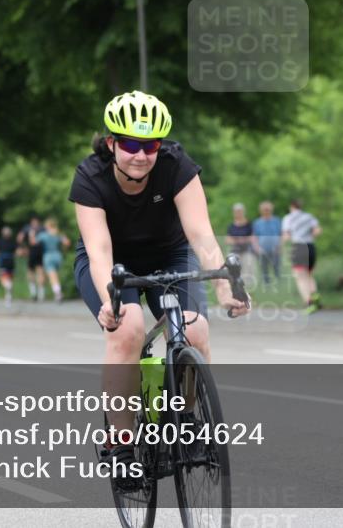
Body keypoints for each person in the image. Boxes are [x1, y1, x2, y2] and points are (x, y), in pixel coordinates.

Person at [69, 90, 249, 485]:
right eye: (131, 145)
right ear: (112, 143)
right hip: (112, 263)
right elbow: (99, 251)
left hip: (170, 254)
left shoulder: (176, 165)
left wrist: (224, 287)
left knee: (194, 329)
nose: (141, 155)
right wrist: (110, 301)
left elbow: (201, 235)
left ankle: (185, 419)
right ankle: (121, 446)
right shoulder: (90, 177)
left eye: (150, 146)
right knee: (127, 330)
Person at [282, 198, 322, 313]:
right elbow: (317, 231)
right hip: (310, 246)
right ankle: (314, 294)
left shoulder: (288, 218)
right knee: (309, 274)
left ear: (291, 206)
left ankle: (309, 302)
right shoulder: (308, 216)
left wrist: (281, 245)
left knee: (299, 276)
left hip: (299, 247)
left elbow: (286, 236)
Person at [37, 217, 70, 303]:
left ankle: (58, 293)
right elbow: (67, 243)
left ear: (47, 225)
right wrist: (64, 249)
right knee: (56, 275)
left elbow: (34, 242)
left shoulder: (43, 235)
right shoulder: (58, 234)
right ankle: (57, 291)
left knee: (52, 276)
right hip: (58, 255)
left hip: (48, 256)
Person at [226, 203, 258, 286]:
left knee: (248, 268)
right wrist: (237, 240)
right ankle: (235, 286)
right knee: (233, 268)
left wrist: (244, 240)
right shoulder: (231, 226)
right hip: (235, 251)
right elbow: (228, 240)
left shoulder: (249, 224)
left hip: (247, 250)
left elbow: (253, 237)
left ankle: (247, 288)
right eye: (236, 211)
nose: (238, 213)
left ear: (243, 212)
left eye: (240, 211)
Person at [252, 201, 282, 285]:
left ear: (271, 210)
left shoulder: (277, 221)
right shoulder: (257, 222)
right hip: (262, 249)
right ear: (261, 211)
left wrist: (280, 246)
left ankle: (279, 283)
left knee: (276, 266)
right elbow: (254, 237)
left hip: (275, 248)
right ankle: (266, 284)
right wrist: (257, 248)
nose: (266, 211)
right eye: (264, 209)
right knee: (264, 268)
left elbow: (281, 235)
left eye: (268, 209)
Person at [18, 217, 45, 301]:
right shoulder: (42, 228)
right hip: (40, 251)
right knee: (40, 271)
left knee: (30, 271)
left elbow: (19, 238)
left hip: (32, 251)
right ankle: (41, 294)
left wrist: (23, 247)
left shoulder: (27, 228)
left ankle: (33, 292)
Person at [0, 226, 18, 303]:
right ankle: (8, 296)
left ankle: (7, 287)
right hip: (11, 261)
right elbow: (16, 252)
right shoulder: (13, 242)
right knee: (10, 278)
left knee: (3, 278)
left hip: (3, 261)